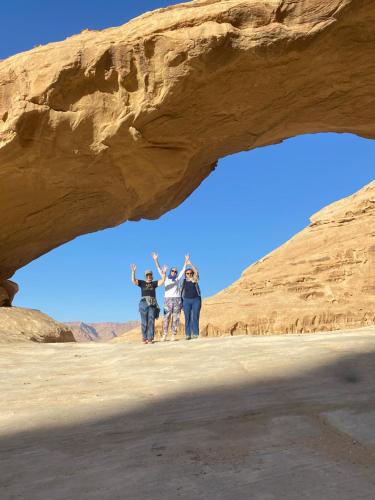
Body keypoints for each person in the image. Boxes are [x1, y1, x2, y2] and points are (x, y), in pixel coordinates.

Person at [152, 252, 189, 341]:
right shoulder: (166, 278)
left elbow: (183, 270)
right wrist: (156, 260)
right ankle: (164, 335)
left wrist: (186, 261)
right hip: (167, 300)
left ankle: (173, 334)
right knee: (166, 318)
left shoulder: (177, 278)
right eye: (173, 271)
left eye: (175, 271)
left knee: (176, 318)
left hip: (177, 300)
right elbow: (158, 268)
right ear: (170, 271)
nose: (174, 272)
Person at [131, 263, 166, 344]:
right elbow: (133, 281)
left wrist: (164, 274)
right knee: (144, 321)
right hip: (143, 302)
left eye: (150, 275)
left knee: (151, 320)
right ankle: (144, 337)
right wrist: (133, 272)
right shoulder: (142, 283)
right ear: (145, 276)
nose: (149, 277)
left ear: (152, 276)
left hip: (152, 303)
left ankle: (150, 338)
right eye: (147, 276)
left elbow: (162, 281)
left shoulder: (154, 283)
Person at [181, 259, 201, 340]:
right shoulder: (183, 281)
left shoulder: (195, 280)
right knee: (187, 317)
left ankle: (195, 333)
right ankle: (188, 334)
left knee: (195, 316)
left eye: (190, 273)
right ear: (185, 274)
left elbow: (196, 271)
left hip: (196, 300)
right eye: (187, 273)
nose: (189, 274)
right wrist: (185, 264)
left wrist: (190, 263)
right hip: (186, 301)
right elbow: (180, 292)